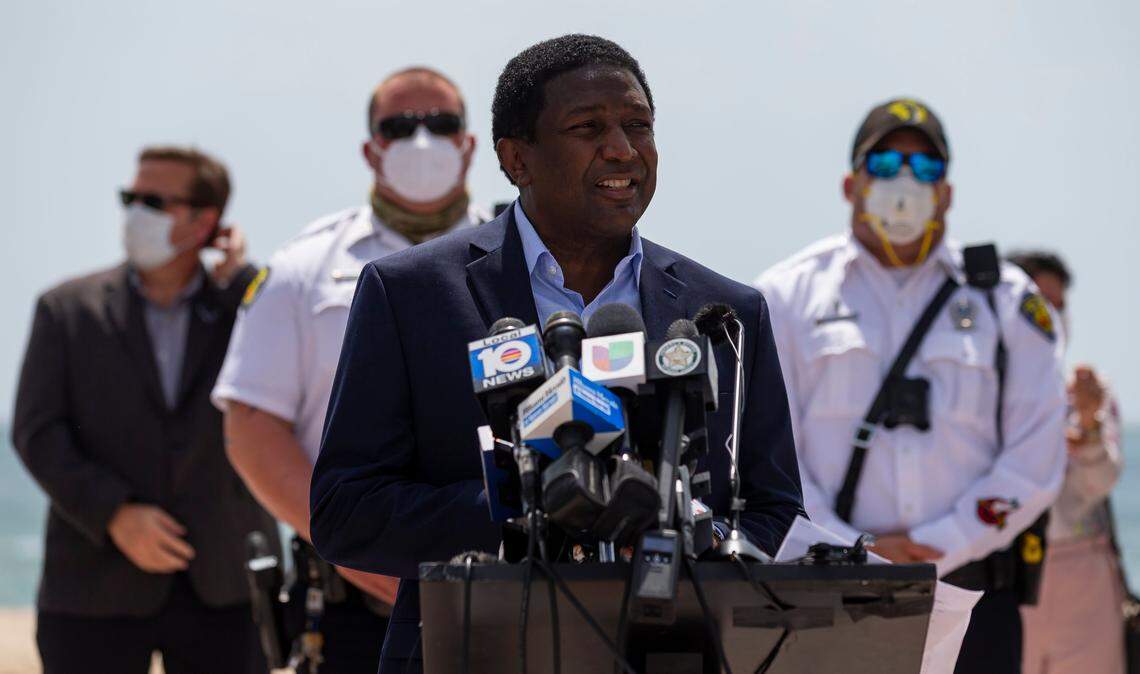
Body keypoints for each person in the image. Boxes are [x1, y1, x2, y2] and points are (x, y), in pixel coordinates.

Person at [309, 34, 805, 674]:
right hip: (472, 653)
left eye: (638, 126)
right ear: (517, 159)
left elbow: (773, 512)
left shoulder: (726, 313)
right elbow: (346, 512)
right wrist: (530, 510)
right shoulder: (411, 295)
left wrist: (685, 536)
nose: (623, 149)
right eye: (587, 127)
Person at [755, 98, 1067, 674]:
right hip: (830, 598)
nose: (906, 182)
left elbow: (1036, 456)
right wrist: (857, 550)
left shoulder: (1006, 299)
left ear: (947, 192)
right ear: (851, 185)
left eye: (925, 169)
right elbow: (771, 451)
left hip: (975, 603)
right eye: (885, 165)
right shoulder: (785, 297)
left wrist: (940, 542)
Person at [211, 66, 489, 672]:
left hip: (500, 586)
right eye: (400, 126)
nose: (423, 141)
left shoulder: (523, 260)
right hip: (353, 602)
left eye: (441, 124)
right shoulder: (302, 270)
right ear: (371, 149)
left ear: (469, 146)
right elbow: (252, 424)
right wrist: (352, 549)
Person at [11, 145, 277, 674]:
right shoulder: (65, 310)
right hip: (92, 584)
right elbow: (37, 432)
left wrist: (241, 276)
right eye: (130, 197)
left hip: (226, 588)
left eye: (153, 201)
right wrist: (113, 513)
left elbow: (292, 387)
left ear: (205, 222)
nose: (134, 212)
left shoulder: (247, 306)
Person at [1010, 250, 1125, 674]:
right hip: (1008, 570)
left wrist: (1090, 423)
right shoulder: (977, 396)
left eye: (1059, 306)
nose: (1053, 318)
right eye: (1041, 304)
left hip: (1082, 575)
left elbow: (1102, 482)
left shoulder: (1088, 392)